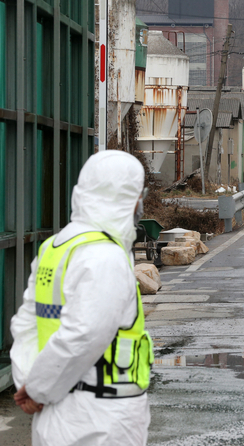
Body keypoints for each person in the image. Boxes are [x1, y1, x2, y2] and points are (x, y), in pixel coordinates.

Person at [10, 150, 155, 446]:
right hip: (101, 418)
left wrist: (29, 384)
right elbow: (84, 335)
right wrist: (37, 391)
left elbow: (26, 324)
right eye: (140, 195)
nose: (141, 203)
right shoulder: (106, 257)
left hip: (56, 415)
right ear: (127, 198)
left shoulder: (56, 247)